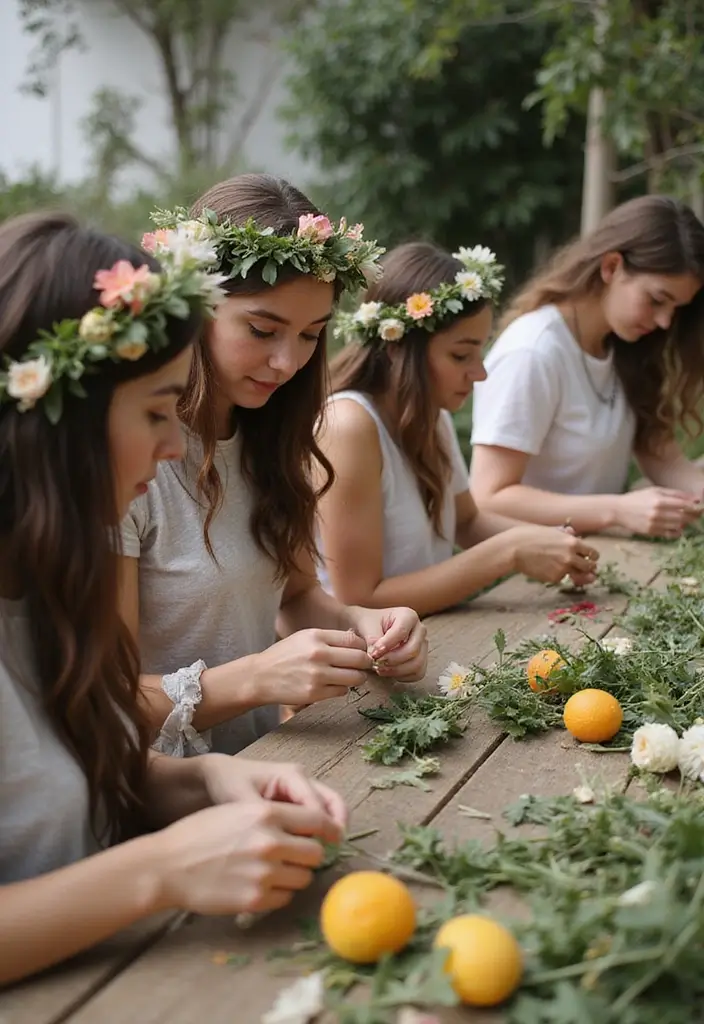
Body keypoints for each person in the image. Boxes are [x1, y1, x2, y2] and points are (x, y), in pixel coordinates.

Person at [0, 212, 347, 987]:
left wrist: (207, 783)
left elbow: (80, 776)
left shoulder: (50, 586)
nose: (171, 447)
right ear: (58, 422)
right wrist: (160, 870)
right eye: (156, 412)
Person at [122, 174, 428, 758]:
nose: (287, 362)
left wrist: (363, 623)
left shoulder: (267, 437)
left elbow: (292, 597)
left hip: (271, 766)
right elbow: (102, 701)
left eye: (311, 335)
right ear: (193, 307)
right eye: (262, 330)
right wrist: (259, 678)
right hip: (154, 805)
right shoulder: (134, 463)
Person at [314, 241, 599, 618]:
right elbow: (357, 599)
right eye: (461, 355)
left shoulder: (433, 415)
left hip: (431, 639)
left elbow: (467, 521)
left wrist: (546, 541)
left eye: (479, 353)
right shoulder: (348, 428)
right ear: (400, 347)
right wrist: (509, 552)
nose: (480, 374)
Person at [469, 195, 704, 538]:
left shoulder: (625, 346)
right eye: (656, 300)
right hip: (518, 574)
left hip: (591, 562)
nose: (666, 321)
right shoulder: (533, 351)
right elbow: (489, 497)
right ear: (611, 267)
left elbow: (664, 459)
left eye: (676, 309)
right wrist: (617, 510)